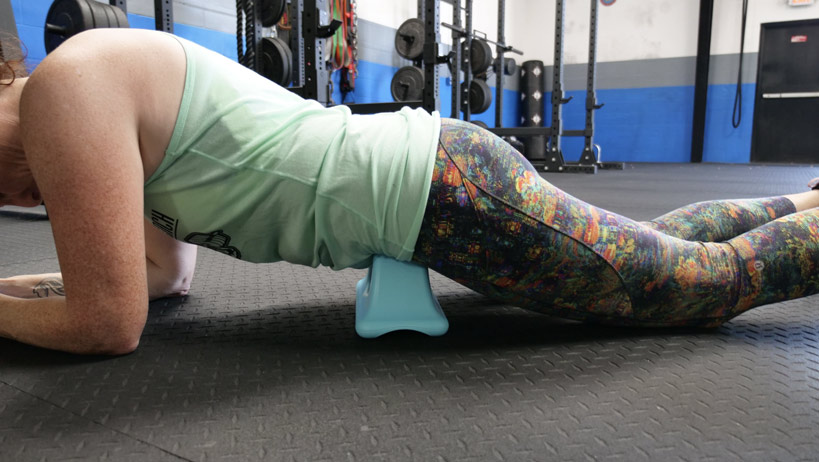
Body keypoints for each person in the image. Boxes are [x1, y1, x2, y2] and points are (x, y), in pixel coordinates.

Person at [0, 29, 818, 356]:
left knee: (693, 290)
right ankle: (801, 203)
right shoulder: (82, 93)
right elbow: (158, 278)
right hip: (439, 184)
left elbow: (107, 325)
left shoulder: (65, 90)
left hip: (444, 193)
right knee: (653, 249)